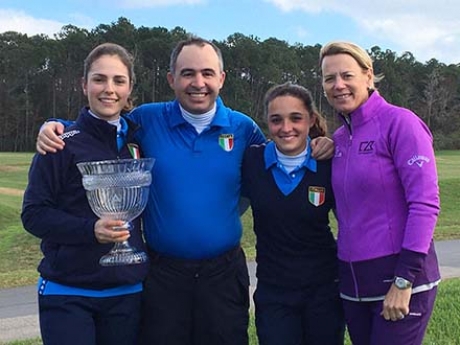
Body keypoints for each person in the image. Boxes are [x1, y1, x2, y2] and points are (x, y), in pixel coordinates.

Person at [36, 36, 335, 345]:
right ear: (171, 79)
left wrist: (320, 141)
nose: (198, 82)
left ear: (221, 78)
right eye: (188, 73)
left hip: (224, 275)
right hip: (163, 276)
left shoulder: (243, 128)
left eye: (207, 73)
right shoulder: (146, 119)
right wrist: (55, 124)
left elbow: (282, 151)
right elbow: (100, 122)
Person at [21, 43, 149, 345]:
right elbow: (33, 214)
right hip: (68, 293)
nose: (109, 89)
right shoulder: (59, 144)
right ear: (84, 84)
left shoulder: (140, 139)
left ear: (130, 87)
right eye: (99, 79)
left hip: (127, 293)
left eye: (119, 80)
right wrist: (89, 230)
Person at [319, 41, 441, 345]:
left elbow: (424, 204)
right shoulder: (339, 139)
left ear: (368, 75)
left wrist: (404, 279)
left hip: (401, 282)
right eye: (329, 78)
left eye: (347, 75)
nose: (338, 85)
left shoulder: (401, 123)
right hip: (354, 284)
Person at [241, 82, 345, 345]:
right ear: (267, 122)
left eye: (295, 118)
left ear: (310, 120)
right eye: (276, 120)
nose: (286, 128)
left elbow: (352, 219)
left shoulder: (329, 162)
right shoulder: (251, 162)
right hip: (274, 293)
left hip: (324, 290)